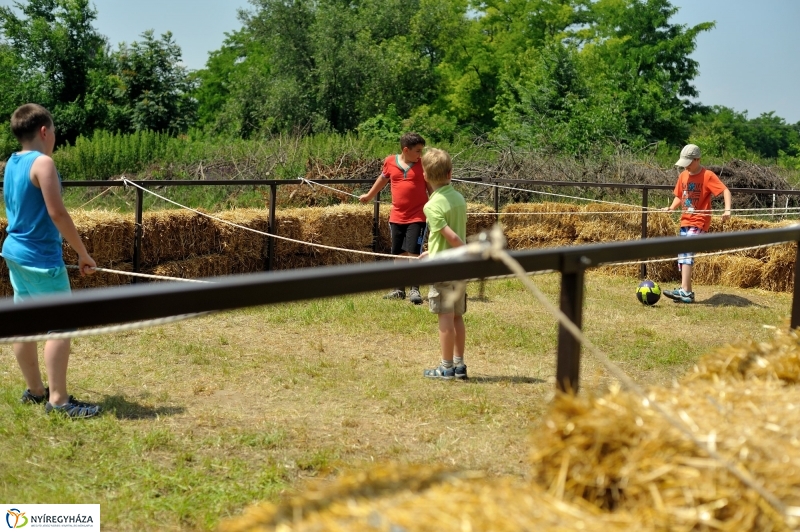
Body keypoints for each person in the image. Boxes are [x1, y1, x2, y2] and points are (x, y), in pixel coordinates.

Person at [4, 103, 100, 418]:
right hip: (41, 259)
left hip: (15, 254)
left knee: (25, 324)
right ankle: (58, 401)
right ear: (44, 131)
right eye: (55, 132)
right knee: (61, 324)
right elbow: (57, 213)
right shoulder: (43, 163)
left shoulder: (11, 162)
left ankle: (35, 391)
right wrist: (83, 253)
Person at [360, 132, 430, 305]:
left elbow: (430, 187)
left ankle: (415, 289)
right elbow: (382, 179)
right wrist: (369, 196)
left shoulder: (423, 164)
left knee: (414, 252)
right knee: (398, 253)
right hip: (397, 216)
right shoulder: (390, 161)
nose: (420, 154)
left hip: (418, 216)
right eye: (418, 151)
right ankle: (399, 289)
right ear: (406, 150)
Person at [418, 148, 468, 380]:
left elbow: (453, 238)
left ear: (425, 176)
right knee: (457, 317)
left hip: (445, 268)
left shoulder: (432, 205)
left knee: (445, 318)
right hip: (459, 267)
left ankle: (446, 368)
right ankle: (459, 365)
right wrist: (432, 251)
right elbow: (451, 236)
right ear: (450, 174)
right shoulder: (459, 198)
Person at [660, 144, 732, 303]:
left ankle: (684, 291)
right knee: (683, 253)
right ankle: (688, 292)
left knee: (686, 250)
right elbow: (680, 195)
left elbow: (725, 191)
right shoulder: (683, 176)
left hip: (700, 221)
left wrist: (727, 210)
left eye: (688, 163)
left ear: (697, 159)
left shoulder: (707, 175)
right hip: (685, 220)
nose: (686, 166)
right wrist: (671, 208)